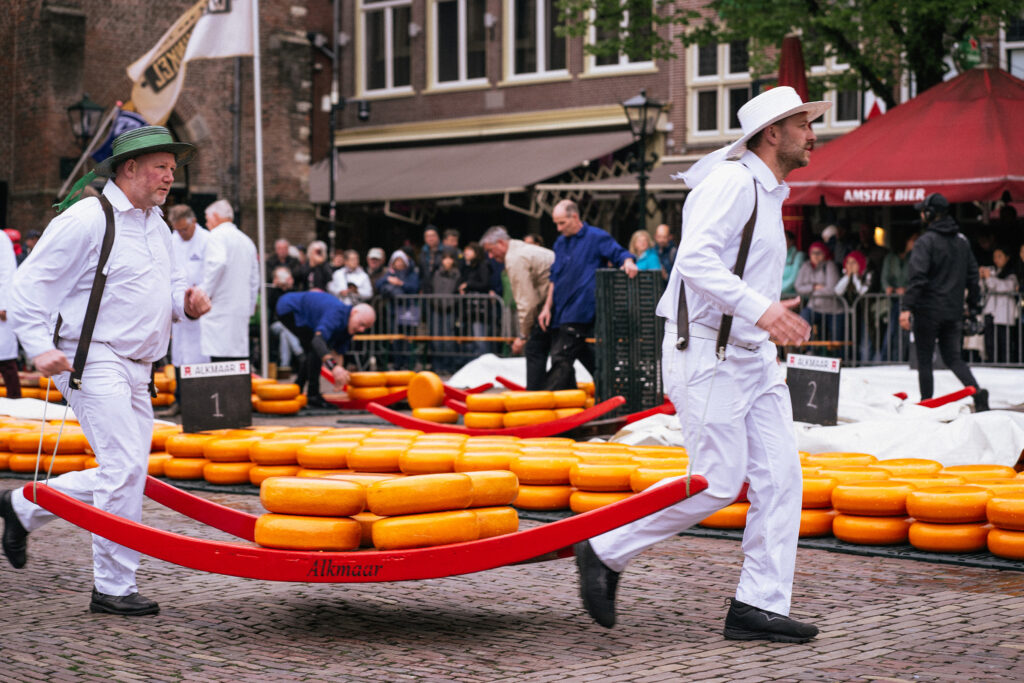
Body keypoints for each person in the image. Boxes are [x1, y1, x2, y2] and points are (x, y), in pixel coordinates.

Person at [574, 86, 828, 643]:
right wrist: (762, 309)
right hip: (708, 352)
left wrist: (764, 315)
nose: (814, 134)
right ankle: (603, 549)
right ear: (772, 133)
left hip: (749, 357)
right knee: (717, 482)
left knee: (782, 478)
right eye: (804, 125)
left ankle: (756, 606)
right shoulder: (733, 183)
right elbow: (692, 260)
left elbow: (732, 273)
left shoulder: (766, 191)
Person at [1, 125, 211, 615]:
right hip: (90, 355)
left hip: (138, 365)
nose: (169, 177)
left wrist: (188, 303)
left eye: (173, 169)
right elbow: (28, 287)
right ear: (129, 167)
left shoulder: (157, 224)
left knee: (127, 472)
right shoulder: (88, 218)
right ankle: (113, 587)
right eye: (161, 166)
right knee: (122, 469)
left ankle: (22, 507)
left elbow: (173, 288)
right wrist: (37, 348)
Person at [899, 193, 988, 411]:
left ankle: (927, 404)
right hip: (953, 311)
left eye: (923, 211)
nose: (921, 214)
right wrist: (974, 306)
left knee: (924, 360)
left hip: (927, 310)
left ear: (929, 214)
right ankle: (977, 392)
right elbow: (973, 277)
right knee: (953, 358)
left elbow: (917, 278)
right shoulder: (962, 241)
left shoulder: (925, 242)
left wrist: (906, 308)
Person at [539, 200, 637, 391]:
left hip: (582, 307)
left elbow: (619, 253)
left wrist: (628, 261)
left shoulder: (596, 237)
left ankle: (552, 397)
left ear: (574, 217)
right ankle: (606, 387)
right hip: (562, 308)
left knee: (562, 354)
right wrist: (546, 307)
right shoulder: (560, 242)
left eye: (562, 223)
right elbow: (555, 276)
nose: (558, 228)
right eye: (556, 223)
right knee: (580, 351)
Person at [481, 226, 555, 389]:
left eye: (491, 251)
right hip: (555, 303)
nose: (491, 256)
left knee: (536, 349)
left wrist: (522, 335)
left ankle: (536, 396)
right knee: (562, 352)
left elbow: (527, 302)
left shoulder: (515, 258)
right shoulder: (521, 248)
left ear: (500, 243)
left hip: (556, 304)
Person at [276, 292, 376, 407]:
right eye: (361, 324)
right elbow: (318, 341)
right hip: (289, 307)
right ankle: (312, 395)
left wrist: (338, 377)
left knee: (313, 350)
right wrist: (333, 367)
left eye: (366, 328)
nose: (362, 329)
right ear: (354, 312)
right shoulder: (336, 314)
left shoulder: (348, 327)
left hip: (303, 313)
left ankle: (298, 388)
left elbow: (338, 353)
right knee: (315, 348)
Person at [162, 204, 210, 416]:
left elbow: (212, 273)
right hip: (180, 306)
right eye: (178, 230)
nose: (181, 234)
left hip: (201, 306)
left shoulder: (207, 240)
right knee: (180, 355)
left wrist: (199, 294)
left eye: (184, 229)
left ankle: (200, 401)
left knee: (200, 356)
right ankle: (180, 399)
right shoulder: (172, 241)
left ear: (194, 222)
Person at [200, 199, 260, 363]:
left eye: (207, 218)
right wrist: (249, 307)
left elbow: (217, 264)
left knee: (219, 361)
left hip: (219, 308)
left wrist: (204, 294)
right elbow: (255, 279)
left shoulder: (216, 236)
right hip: (240, 310)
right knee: (237, 361)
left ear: (216, 216)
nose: (206, 223)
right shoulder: (247, 241)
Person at [795, 241, 843, 349]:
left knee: (837, 340)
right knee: (804, 318)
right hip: (814, 307)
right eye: (813, 253)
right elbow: (798, 287)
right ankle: (808, 350)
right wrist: (814, 287)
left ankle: (841, 361)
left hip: (833, 309)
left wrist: (811, 291)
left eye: (819, 253)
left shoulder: (830, 265)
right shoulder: (806, 266)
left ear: (825, 254)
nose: (815, 256)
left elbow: (832, 289)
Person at [379, 250, 421, 369]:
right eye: (396, 261)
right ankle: (398, 363)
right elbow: (379, 283)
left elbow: (414, 287)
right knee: (396, 338)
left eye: (401, 260)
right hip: (394, 310)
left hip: (408, 309)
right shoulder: (390, 273)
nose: (399, 263)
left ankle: (409, 363)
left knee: (408, 338)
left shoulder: (411, 273)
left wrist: (400, 283)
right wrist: (388, 280)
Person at [881, 231, 917, 361]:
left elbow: (916, 278)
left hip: (907, 299)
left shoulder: (915, 257)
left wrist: (906, 289)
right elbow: (884, 279)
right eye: (913, 239)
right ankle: (886, 358)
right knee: (891, 332)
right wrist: (889, 288)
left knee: (902, 332)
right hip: (892, 301)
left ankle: (900, 358)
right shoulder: (891, 258)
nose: (915, 242)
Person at [979, 246, 1019, 364]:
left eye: (999, 256)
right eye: (994, 257)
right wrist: (981, 277)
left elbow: (1001, 286)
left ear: (1007, 258)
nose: (996, 259)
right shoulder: (992, 271)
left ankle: (1005, 365)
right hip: (990, 312)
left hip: (1004, 315)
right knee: (990, 343)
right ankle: (991, 362)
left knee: (1004, 343)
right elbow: (982, 288)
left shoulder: (1012, 275)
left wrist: (988, 278)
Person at [458, 241, 496, 361]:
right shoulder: (467, 267)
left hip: (480, 308)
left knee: (480, 339)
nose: (466, 253)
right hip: (469, 308)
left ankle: (486, 363)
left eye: (469, 250)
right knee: (473, 340)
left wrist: (468, 285)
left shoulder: (483, 265)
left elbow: (485, 283)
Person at [835, 250, 873, 361]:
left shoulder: (868, 274)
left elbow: (863, 291)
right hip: (850, 314)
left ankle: (864, 362)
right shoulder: (845, 276)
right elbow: (837, 291)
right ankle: (849, 360)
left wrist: (855, 277)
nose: (850, 266)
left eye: (853, 263)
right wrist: (848, 277)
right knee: (850, 337)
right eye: (848, 262)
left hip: (866, 312)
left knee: (864, 340)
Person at [429, 247, 461, 374]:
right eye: (445, 258)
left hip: (450, 308)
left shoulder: (456, 274)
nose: (447, 261)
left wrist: (452, 302)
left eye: (450, 258)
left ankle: (449, 366)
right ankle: (437, 366)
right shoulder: (436, 273)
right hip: (436, 308)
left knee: (448, 338)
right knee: (436, 339)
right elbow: (430, 287)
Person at [268, 266, 303, 375]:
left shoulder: (294, 291)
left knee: (284, 333)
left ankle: (285, 365)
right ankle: (299, 352)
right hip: (276, 324)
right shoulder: (273, 292)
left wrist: (290, 287)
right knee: (284, 327)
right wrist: (276, 288)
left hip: (290, 325)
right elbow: (272, 307)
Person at [0, 229, 21, 398]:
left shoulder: (1, 238)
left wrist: (4, 304)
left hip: (2, 306)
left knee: (5, 360)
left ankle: (15, 400)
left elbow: (8, 272)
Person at [781, 230, 805, 299]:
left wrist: (778, 291)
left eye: (784, 239)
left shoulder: (798, 256)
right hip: (775, 296)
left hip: (791, 297)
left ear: (792, 241)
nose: (781, 241)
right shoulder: (777, 255)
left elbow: (793, 279)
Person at [419, 226, 443, 292]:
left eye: (432, 236)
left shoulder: (446, 252)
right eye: (427, 236)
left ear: (438, 236)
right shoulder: (422, 253)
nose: (430, 238)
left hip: (441, 290)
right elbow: (421, 273)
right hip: (426, 290)